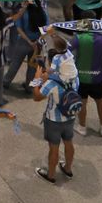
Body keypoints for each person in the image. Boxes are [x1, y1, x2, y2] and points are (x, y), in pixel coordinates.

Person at [32, 39, 78, 184]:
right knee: (69, 142)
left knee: (54, 148)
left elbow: (37, 97)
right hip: (70, 116)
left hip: (54, 120)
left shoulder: (52, 83)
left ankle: (51, 175)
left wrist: (37, 80)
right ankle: (68, 169)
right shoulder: (74, 78)